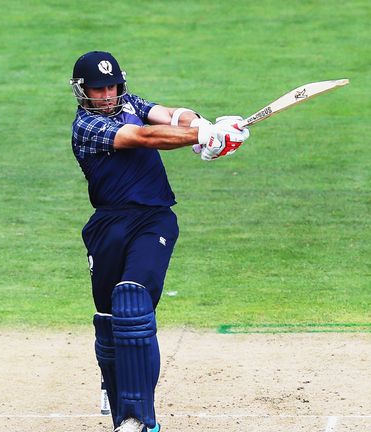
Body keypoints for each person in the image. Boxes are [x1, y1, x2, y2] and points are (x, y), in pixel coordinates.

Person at [69, 51, 250, 432]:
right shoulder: (86, 127)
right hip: (108, 225)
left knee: (132, 299)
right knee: (108, 319)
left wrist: (204, 125)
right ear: (82, 92)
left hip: (154, 219)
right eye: (98, 89)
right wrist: (202, 136)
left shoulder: (129, 103)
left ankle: (137, 418)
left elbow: (169, 116)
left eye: (112, 86)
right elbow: (146, 137)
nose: (106, 94)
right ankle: (114, 385)